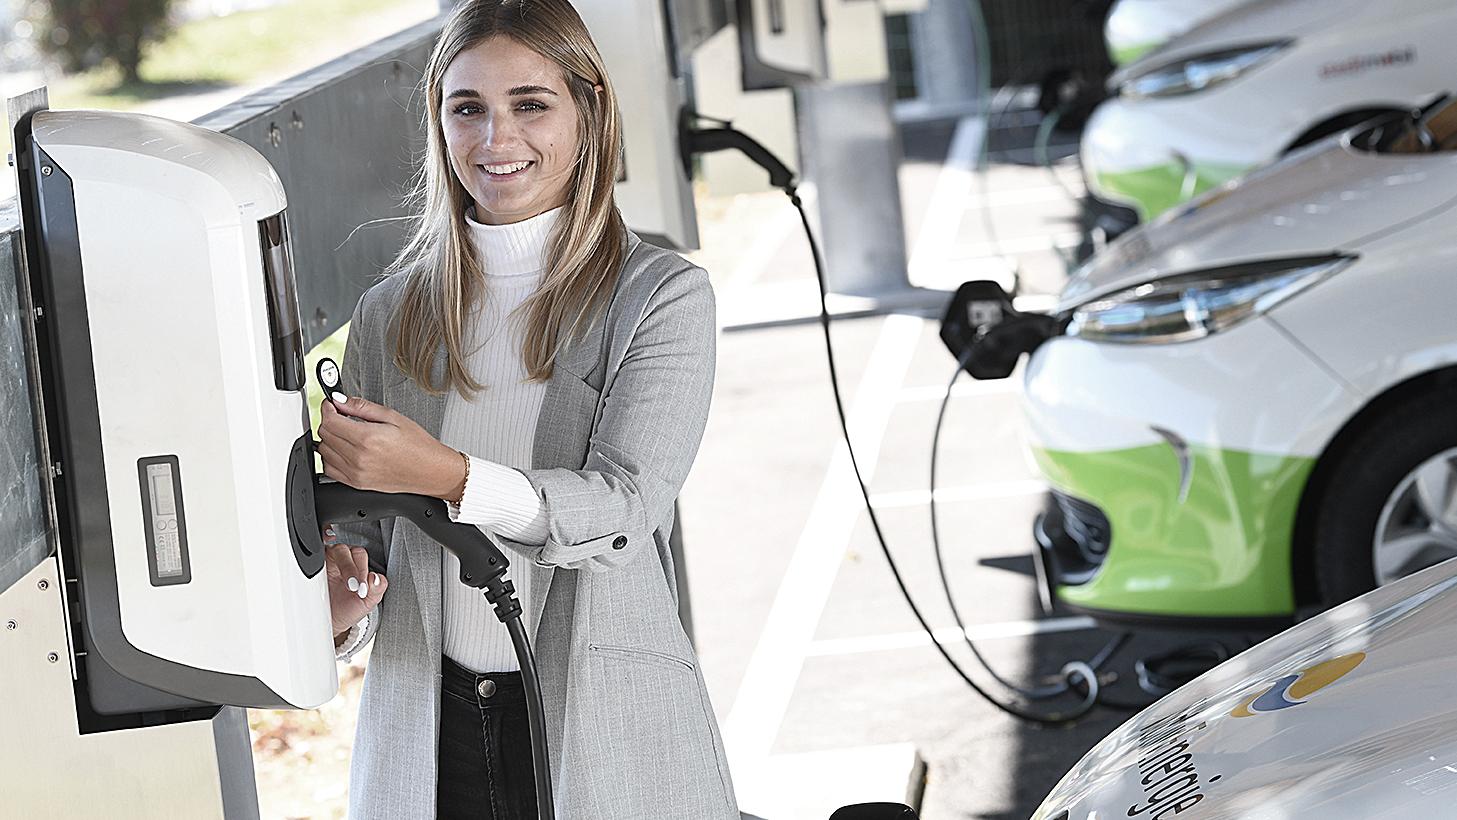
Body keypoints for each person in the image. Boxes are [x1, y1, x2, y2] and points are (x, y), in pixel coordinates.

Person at [314, 1, 738, 817]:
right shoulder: (389, 312)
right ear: (439, 125)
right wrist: (339, 610)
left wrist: (443, 475)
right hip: (429, 727)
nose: (494, 138)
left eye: (530, 105)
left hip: (600, 725)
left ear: (588, 114)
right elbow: (361, 531)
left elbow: (623, 509)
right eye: (466, 108)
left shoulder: (658, 298)